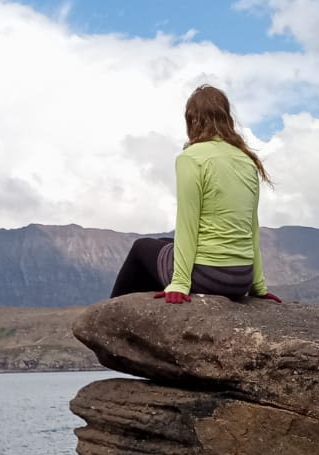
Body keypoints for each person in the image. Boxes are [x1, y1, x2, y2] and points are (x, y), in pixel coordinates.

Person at [111, 85, 281, 303]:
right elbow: (252, 227)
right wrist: (258, 285)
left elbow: (187, 223)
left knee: (141, 248)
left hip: (209, 277)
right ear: (226, 118)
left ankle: (115, 319)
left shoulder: (191, 158)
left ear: (192, 120)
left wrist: (180, 283)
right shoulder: (247, 161)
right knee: (164, 243)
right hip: (241, 279)